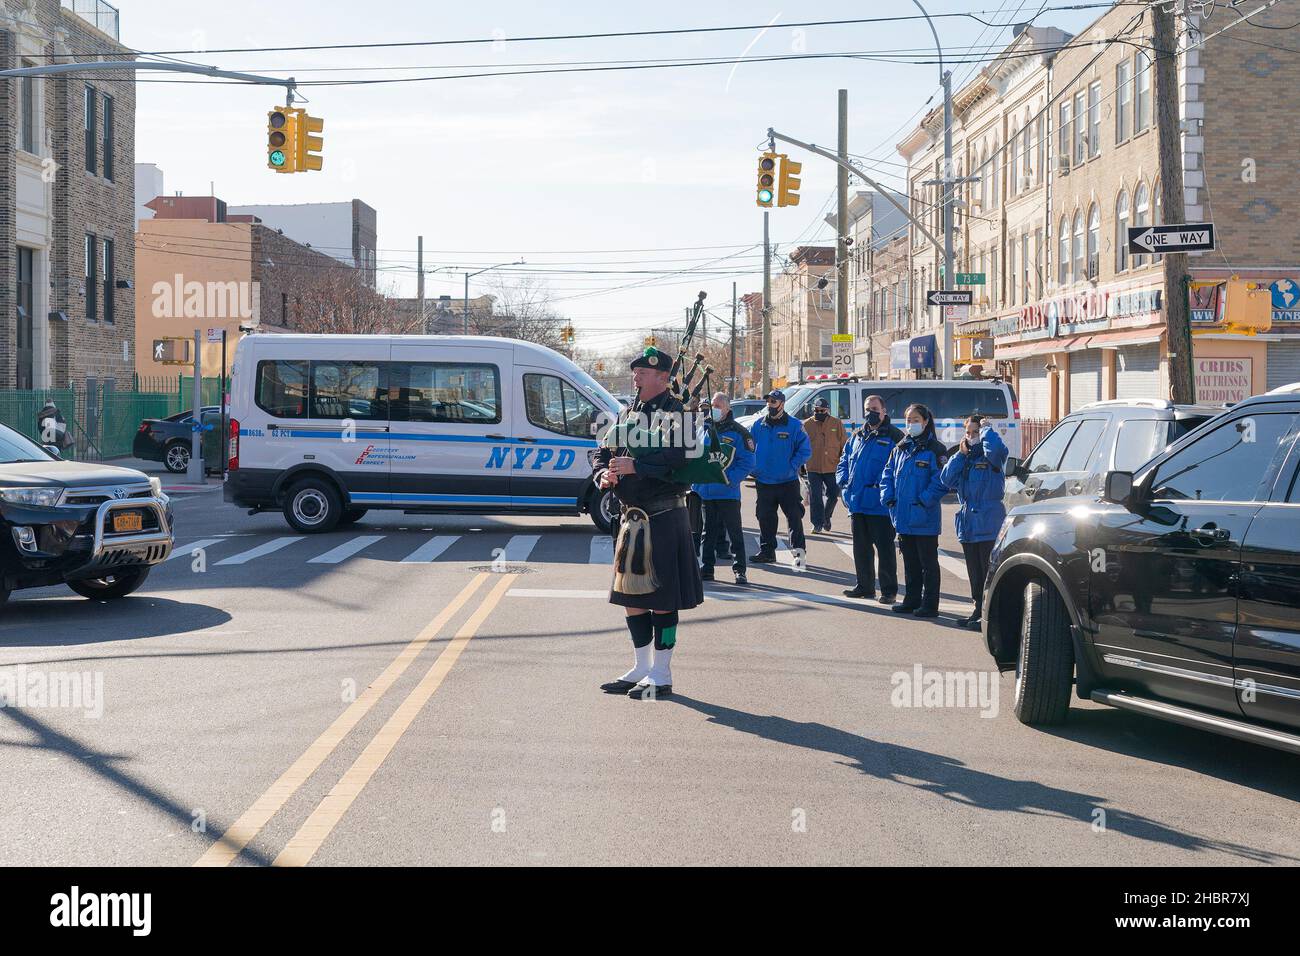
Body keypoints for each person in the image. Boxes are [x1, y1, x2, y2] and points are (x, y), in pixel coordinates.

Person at [596, 347, 703, 700]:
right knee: (633, 595)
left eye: (642, 373)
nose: (636, 378)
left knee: (662, 598)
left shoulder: (679, 413)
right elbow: (604, 451)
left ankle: (662, 670)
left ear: (663, 378)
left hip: (663, 515)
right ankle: (641, 666)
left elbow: (683, 458)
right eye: (636, 372)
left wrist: (638, 467)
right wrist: (603, 474)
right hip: (630, 517)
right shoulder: (628, 412)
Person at [879, 403, 948, 618]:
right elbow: (887, 474)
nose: (911, 424)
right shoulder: (901, 447)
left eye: (916, 420)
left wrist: (924, 500)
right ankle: (911, 599)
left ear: (926, 422)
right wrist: (888, 497)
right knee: (910, 562)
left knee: (928, 564)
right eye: (909, 420)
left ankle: (930, 604)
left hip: (924, 516)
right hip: (903, 515)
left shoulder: (935, 450)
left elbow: (941, 482)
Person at [941, 414, 1008, 629]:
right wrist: (960, 455)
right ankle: (977, 610)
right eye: (968, 433)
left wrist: (987, 430)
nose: (971, 437)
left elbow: (996, 451)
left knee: (989, 572)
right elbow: (946, 479)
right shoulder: (966, 458)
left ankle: (990, 616)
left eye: (975, 432)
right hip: (968, 522)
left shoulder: (992, 457)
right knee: (975, 573)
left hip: (988, 522)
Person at [836, 394, 903, 601]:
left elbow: (898, 470)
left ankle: (889, 590)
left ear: (884, 411)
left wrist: (887, 494)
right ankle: (864, 586)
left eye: (874, 408)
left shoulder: (894, 436)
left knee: (885, 550)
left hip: (879, 505)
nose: (870, 413)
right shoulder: (857, 435)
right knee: (861, 549)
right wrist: (844, 485)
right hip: (857, 502)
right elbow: (843, 462)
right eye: (867, 409)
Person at [693, 393, 756, 585]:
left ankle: (740, 570)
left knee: (735, 532)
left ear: (728, 408)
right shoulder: (704, 429)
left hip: (728, 492)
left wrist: (730, 479)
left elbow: (747, 463)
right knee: (708, 533)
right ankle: (707, 568)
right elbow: (696, 457)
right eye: (713, 405)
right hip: (706, 492)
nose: (715, 408)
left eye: (718, 405)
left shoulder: (739, 432)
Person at [748, 388, 811, 564]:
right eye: (768, 402)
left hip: (787, 482)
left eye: (773, 402)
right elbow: (749, 448)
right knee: (765, 518)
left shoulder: (795, 425)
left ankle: (799, 554)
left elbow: (805, 450)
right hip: (764, 481)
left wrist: (791, 467)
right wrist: (753, 468)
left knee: (794, 518)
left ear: (782, 404)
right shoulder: (758, 425)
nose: (770, 405)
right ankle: (767, 552)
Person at [801, 396, 847, 533]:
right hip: (813, 466)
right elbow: (801, 445)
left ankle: (826, 517)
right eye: (817, 410)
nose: (819, 413)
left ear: (827, 410)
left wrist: (843, 463)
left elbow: (844, 444)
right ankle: (817, 524)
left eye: (822, 410)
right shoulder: (806, 425)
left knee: (833, 493)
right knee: (816, 496)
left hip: (832, 465)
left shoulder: (836, 423)